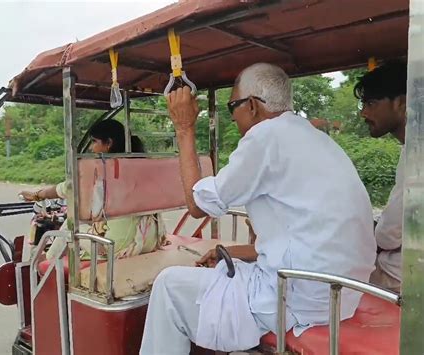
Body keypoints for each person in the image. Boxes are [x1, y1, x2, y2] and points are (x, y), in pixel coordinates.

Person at [140, 63, 376, 354]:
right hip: (340, 296)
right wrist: (233, 252)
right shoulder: (316, 139)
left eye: (232, 108)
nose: (234, 119)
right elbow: (303, 238)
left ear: (251, 106)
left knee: (168, 285)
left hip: (298, 298)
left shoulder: (265, 136)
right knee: (228, 270)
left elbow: (196, 204)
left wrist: (184, 127)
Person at [20, 119, 165, 260]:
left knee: (70, 225)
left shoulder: (102, 172)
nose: (91, 147)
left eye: (94, 141)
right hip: (149, 239)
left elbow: (65, 188)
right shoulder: (142, 167)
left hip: (119, 246)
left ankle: (45, 262)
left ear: (108, 143)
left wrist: (37, 195)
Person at [354, 61, 407, 293]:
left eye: (371, 103)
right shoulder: (410, 148)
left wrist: (373, 233)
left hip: (399, 276)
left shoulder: (418, 153)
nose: (363, 112)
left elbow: (389, 236)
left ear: (401, 103)